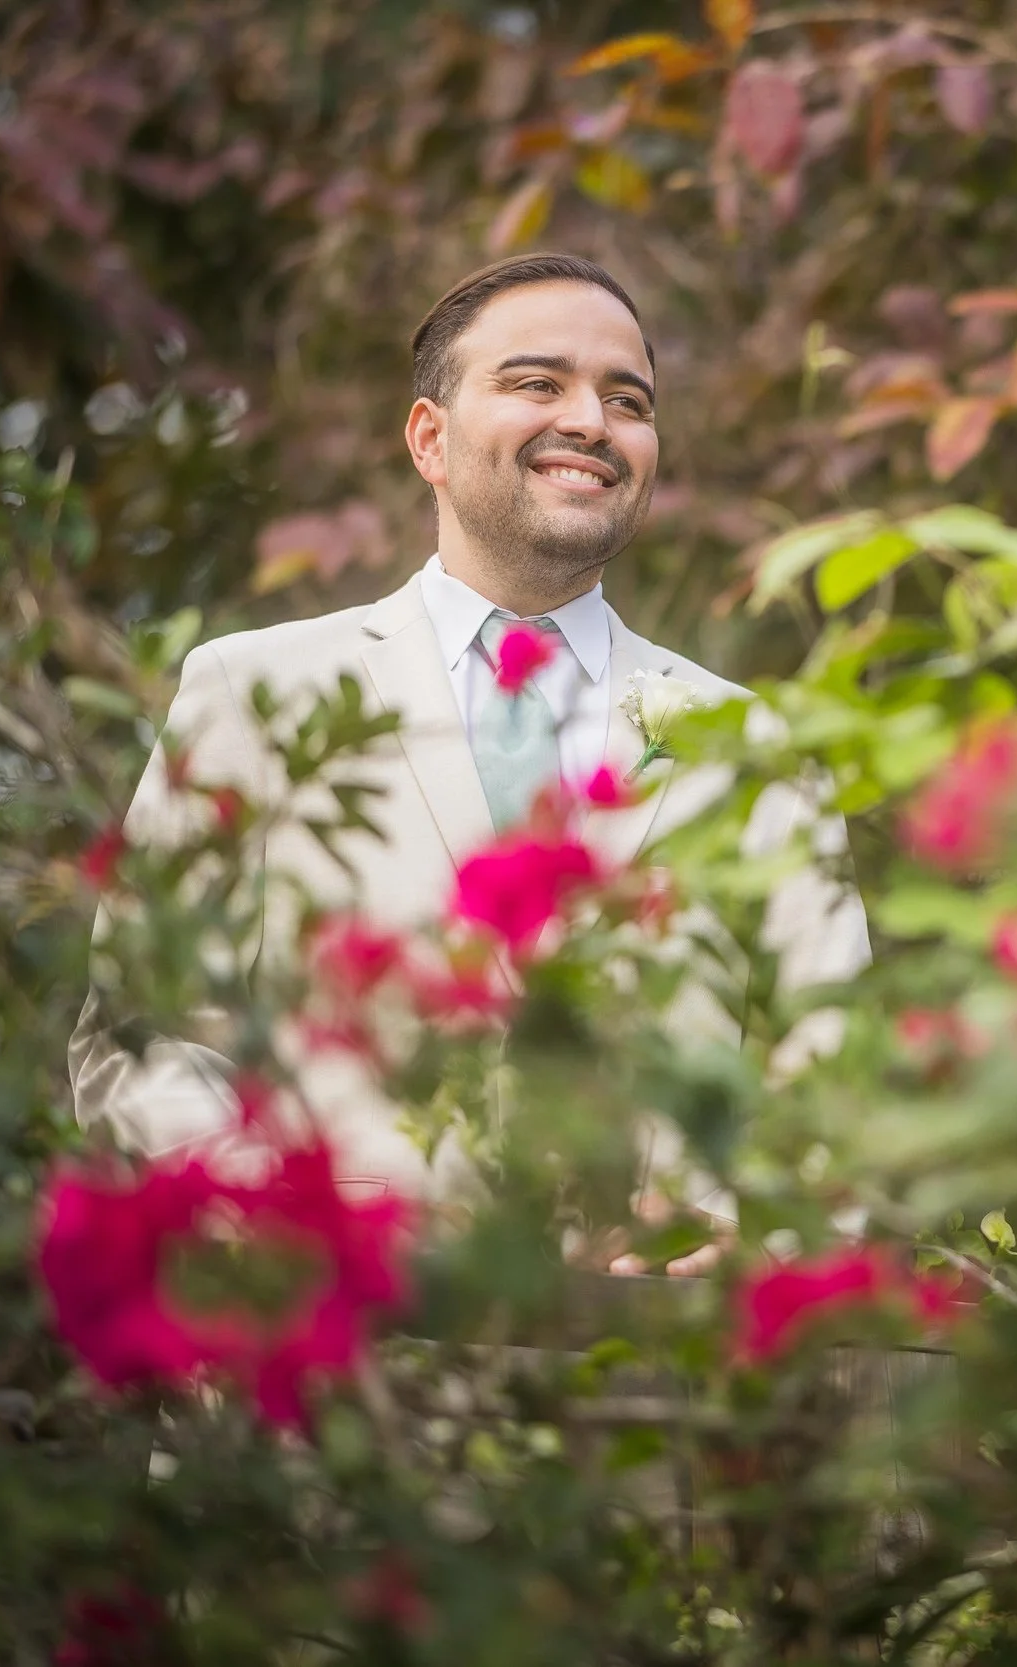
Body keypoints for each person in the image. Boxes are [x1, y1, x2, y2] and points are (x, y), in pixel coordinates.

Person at [70, 252, 870, 1199]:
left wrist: (759, 1228)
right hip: (352, 1325)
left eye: (629, 401)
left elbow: (833, 1065)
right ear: (429, 440)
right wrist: (270, 1213)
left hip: (661, 1329)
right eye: (538, 382)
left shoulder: (753, 743)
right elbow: (148, 1038)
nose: (590, 420)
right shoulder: (251, 691)